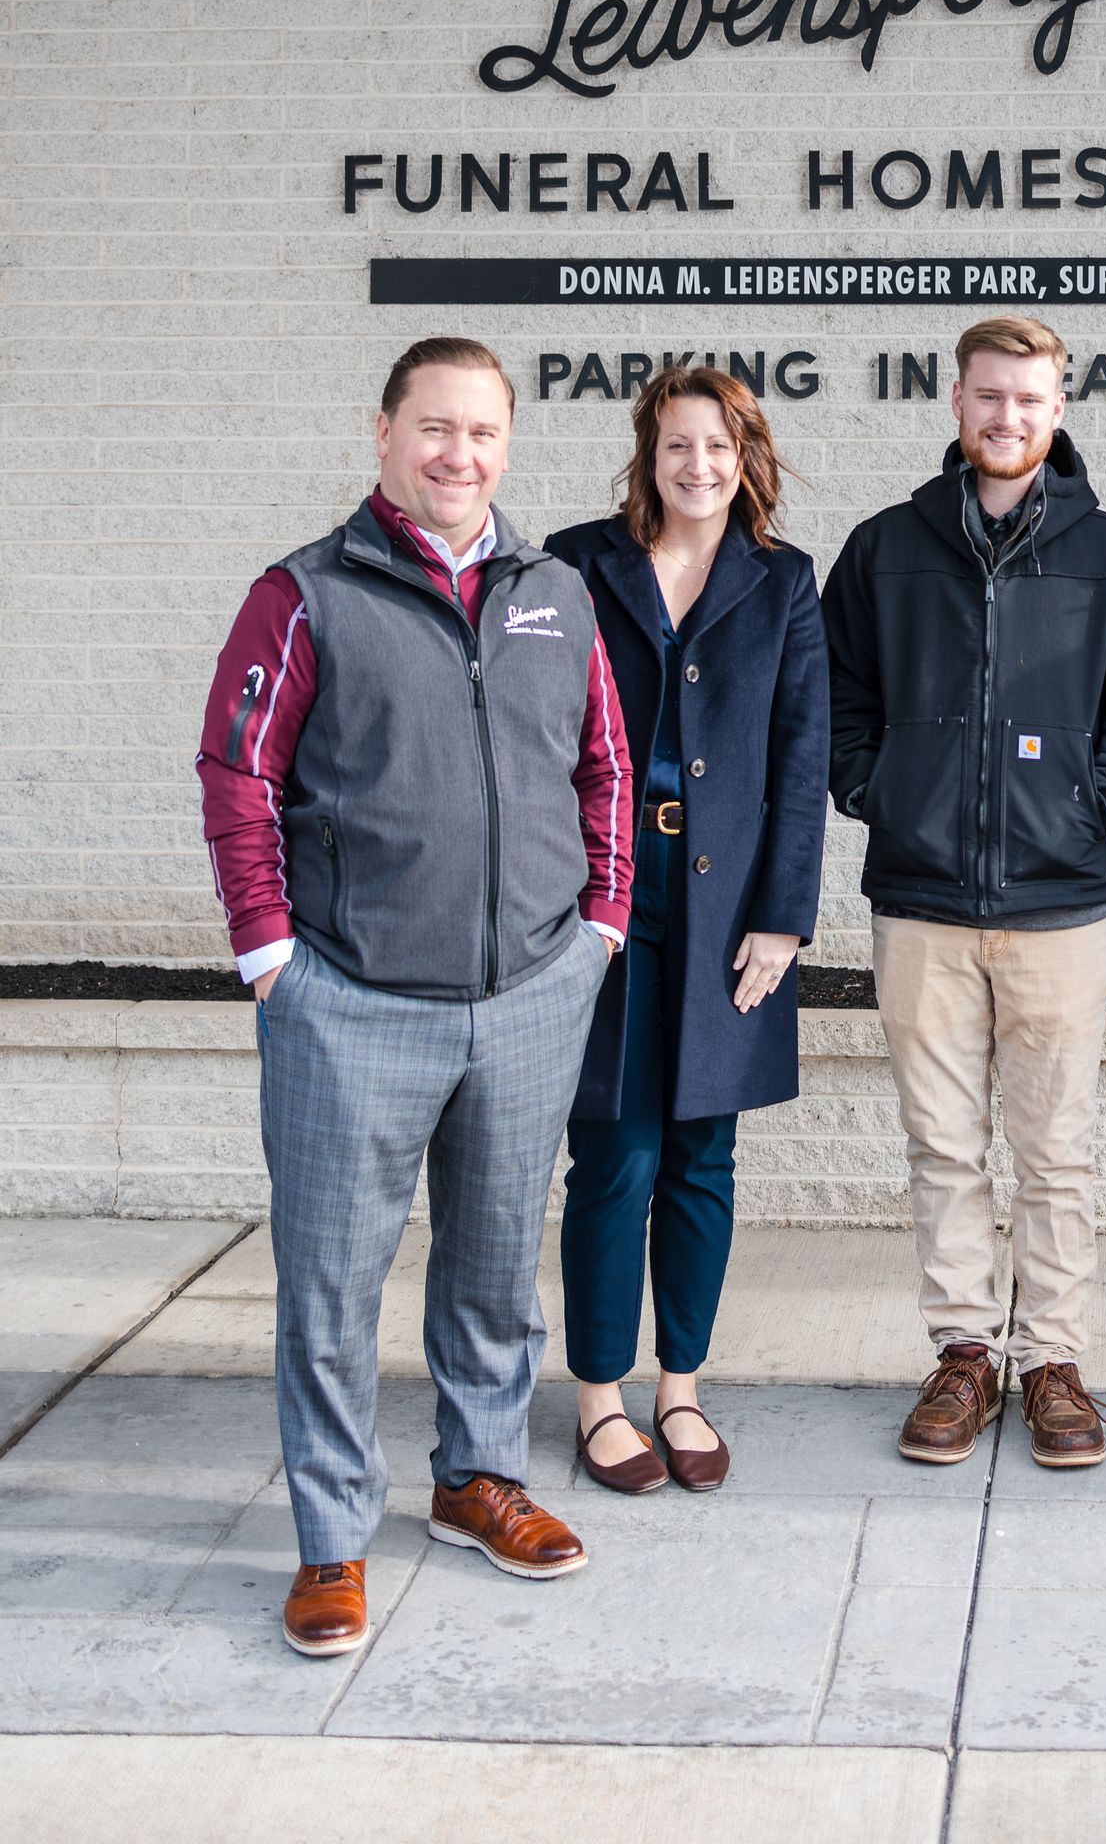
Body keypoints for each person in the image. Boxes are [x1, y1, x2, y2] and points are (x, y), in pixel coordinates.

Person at [196, 336, 632, 1658]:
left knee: (497, 1264)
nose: (460, 455)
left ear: (509, 444)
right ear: (382, 434)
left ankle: (475, 1477)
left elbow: (606, 762)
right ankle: (332, 1538)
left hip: (530, 994)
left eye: (483, 433)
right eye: (434, 428)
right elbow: (237, 772)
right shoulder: (308, 594)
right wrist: (270, 952)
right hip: (352, 1002)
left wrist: (601, 922)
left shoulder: (555, 590)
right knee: (331, 1283)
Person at [822, 315, 1106, 1471]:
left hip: (1061, 900)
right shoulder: (886, 548)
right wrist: (883, 789)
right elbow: (835, 699)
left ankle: (1055, 1361)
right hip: (921, 902)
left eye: (1028, 400)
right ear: (956, 403)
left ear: (1060, 409)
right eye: (988, 397)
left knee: (1055, 1151)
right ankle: (967, 1353)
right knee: (942, 1147)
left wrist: (1098, 797)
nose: (1006, 417)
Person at [547, 365, 828, 1495]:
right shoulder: (577, 563)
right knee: (616, 1148)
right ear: (647, 453)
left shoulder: (784, 581)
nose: (698, 465)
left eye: (719, 446)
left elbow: (802, 761)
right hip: (605, 894)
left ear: (746, 457)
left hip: (729, 905)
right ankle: (602, 1398)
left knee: (704, 1149)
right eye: (677, 445)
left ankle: (683, 1388)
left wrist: (783, 921)